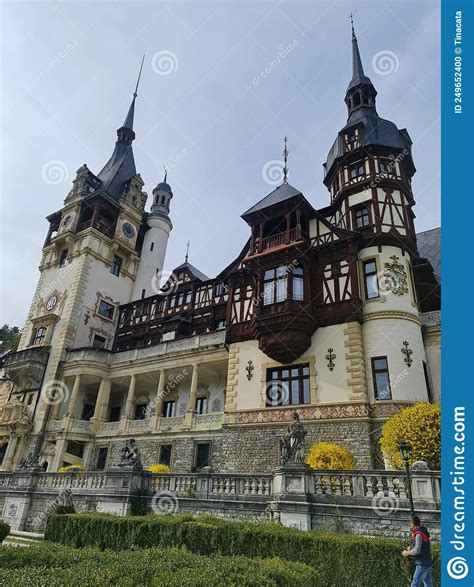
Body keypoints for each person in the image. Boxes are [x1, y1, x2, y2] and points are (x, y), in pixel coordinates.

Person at [402, 515, 433, 587]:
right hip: (427, 562)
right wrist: (411, 547)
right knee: (428, 584)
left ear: (412, 524)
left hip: (422, 564)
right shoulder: (422, 531)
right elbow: (422, 545)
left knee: (414, 584)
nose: (409, 525)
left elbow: (417, 550)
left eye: (410, 524)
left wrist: (407, 553)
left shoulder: (418, 534)